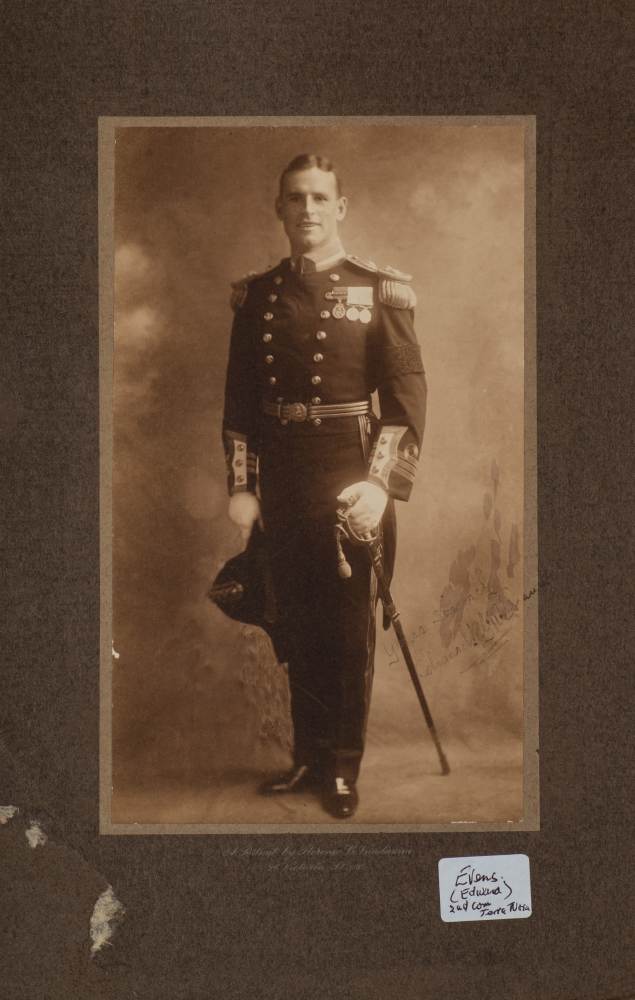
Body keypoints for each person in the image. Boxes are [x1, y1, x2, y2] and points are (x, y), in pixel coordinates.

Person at [222, 154, 427, 818]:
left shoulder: (380, 289)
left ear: (340, 207)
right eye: (294, 198)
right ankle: (307, 757)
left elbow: (402, 402)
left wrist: (379, 487)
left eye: (318, 198)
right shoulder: (256, 296)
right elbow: (239, 403)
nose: (306, 210)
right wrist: (243, 486)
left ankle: (341, 767)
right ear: (277, 208)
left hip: (348, 473)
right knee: (294, 621)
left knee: (343, 629)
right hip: (282, 475)